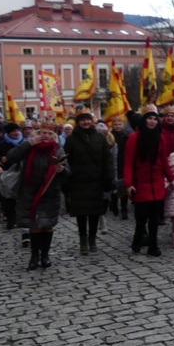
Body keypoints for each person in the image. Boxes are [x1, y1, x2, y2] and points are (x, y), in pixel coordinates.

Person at [6, 123, 69, 270]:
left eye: (49, 133)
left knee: (47, 225)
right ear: (37, 134)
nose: (45, 136)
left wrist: (61, 170)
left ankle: (45, 255)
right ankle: (34, 256)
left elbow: (68, 173)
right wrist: (27, 144)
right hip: (29, 191)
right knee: (34, 225)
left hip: (50, 193)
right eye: (42, 133)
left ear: (53, 136)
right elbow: (11, 157)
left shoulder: (58, 149)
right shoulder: (28, 147)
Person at [123, 104, 174, 257]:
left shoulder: (160, 138)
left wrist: (171, 179)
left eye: (155, 119)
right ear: (144, 121)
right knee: (141, 218)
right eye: (150, 119)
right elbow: (128, 162)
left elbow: (164, 161)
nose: (152, 122)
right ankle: (137, 239)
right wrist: (128, 183)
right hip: (141, 184)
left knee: (154, 219)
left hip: (157, 183)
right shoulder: (134, 138)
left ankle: (153, 246)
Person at [64, 108, 114, 255]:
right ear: (78, 122)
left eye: (87, 119)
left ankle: (92, 240)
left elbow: (107, 159)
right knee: (81, 214)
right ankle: (83, 241)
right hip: (78, 181)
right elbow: (66, 160)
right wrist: (66, 179)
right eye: (82, 120)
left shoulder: (99, 137)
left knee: (94, 213)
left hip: (96, 180)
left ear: (91, 121)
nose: (85, 122)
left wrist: (109, 177)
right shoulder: (71, 139)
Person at [0, 122, 24, 231]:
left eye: (17, 130)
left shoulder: (24, 142)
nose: (16, 133)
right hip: (7, 174)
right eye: (13, 131)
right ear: (8, 133)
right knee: (8, 199)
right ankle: (11, 220)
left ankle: (20, 218)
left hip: (22, 172)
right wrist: (1, 160)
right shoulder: (2, 145)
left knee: (22, 198)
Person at [109, 116, 131, 220]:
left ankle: (124, 209)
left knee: (123, 187)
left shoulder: (126, 136)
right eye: (115, 125)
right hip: (113, 163)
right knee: (114, 187)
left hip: (123, 163)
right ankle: (114, 205)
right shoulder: (110, 136)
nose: (117, 126)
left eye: (119, 124)